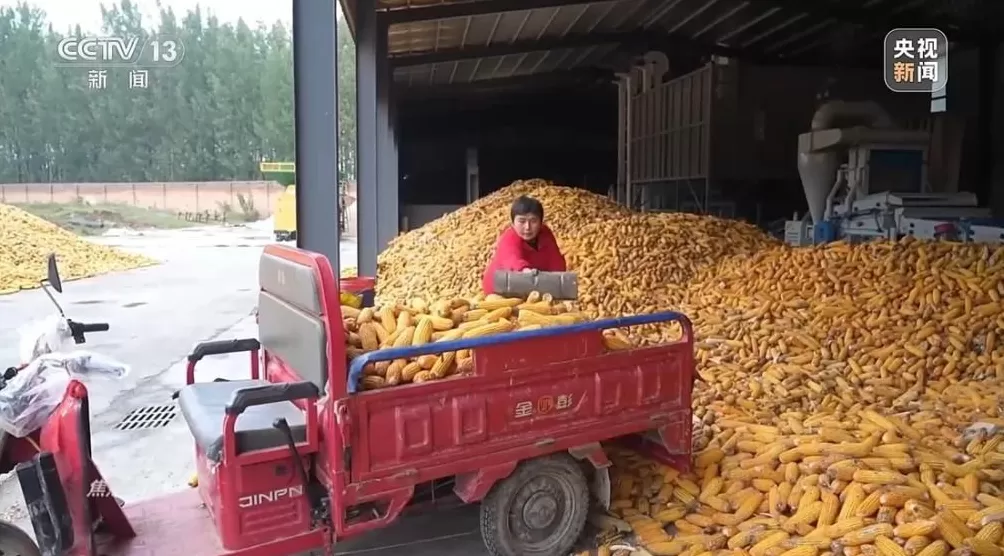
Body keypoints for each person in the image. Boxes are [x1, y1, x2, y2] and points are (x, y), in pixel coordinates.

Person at [482, 195, 566, 294]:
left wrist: (559, 283)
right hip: (500, 289)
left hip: (534, 286)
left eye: (533, 221)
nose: (527, 227)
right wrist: (525, 271)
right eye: (522, 221)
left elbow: (554, 259)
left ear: (541, 223)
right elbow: (512, 259)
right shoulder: (509, 237)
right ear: (512, 223)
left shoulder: (545, 233)